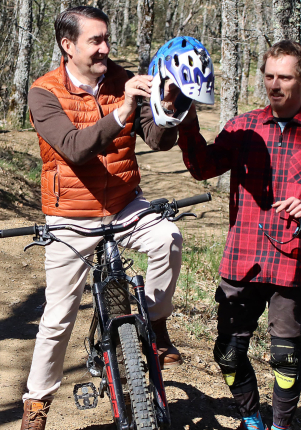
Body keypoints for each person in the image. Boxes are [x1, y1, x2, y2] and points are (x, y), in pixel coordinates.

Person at [19, 6, 187, 429]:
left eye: (107, 39)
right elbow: (74, 148)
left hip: (125, 203)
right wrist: (123, 107)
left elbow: (157, 139)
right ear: (67, 45)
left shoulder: (121, 78)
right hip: (71, 215)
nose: (105, 49)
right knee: (58, 317)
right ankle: (36, 406)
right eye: (95, 41)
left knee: (167, 236)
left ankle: (155, 321)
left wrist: (171, 107)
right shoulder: (44, 92)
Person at [176, 40, 301, 430]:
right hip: (242, 256)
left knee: (285, 357)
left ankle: (282, 425)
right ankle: (252, 419)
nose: (275, 85)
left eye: (285, 77)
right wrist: (186, 119)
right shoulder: (243, 125)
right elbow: (204, 167)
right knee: (227, 351)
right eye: (269, 76)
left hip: (293, 261)